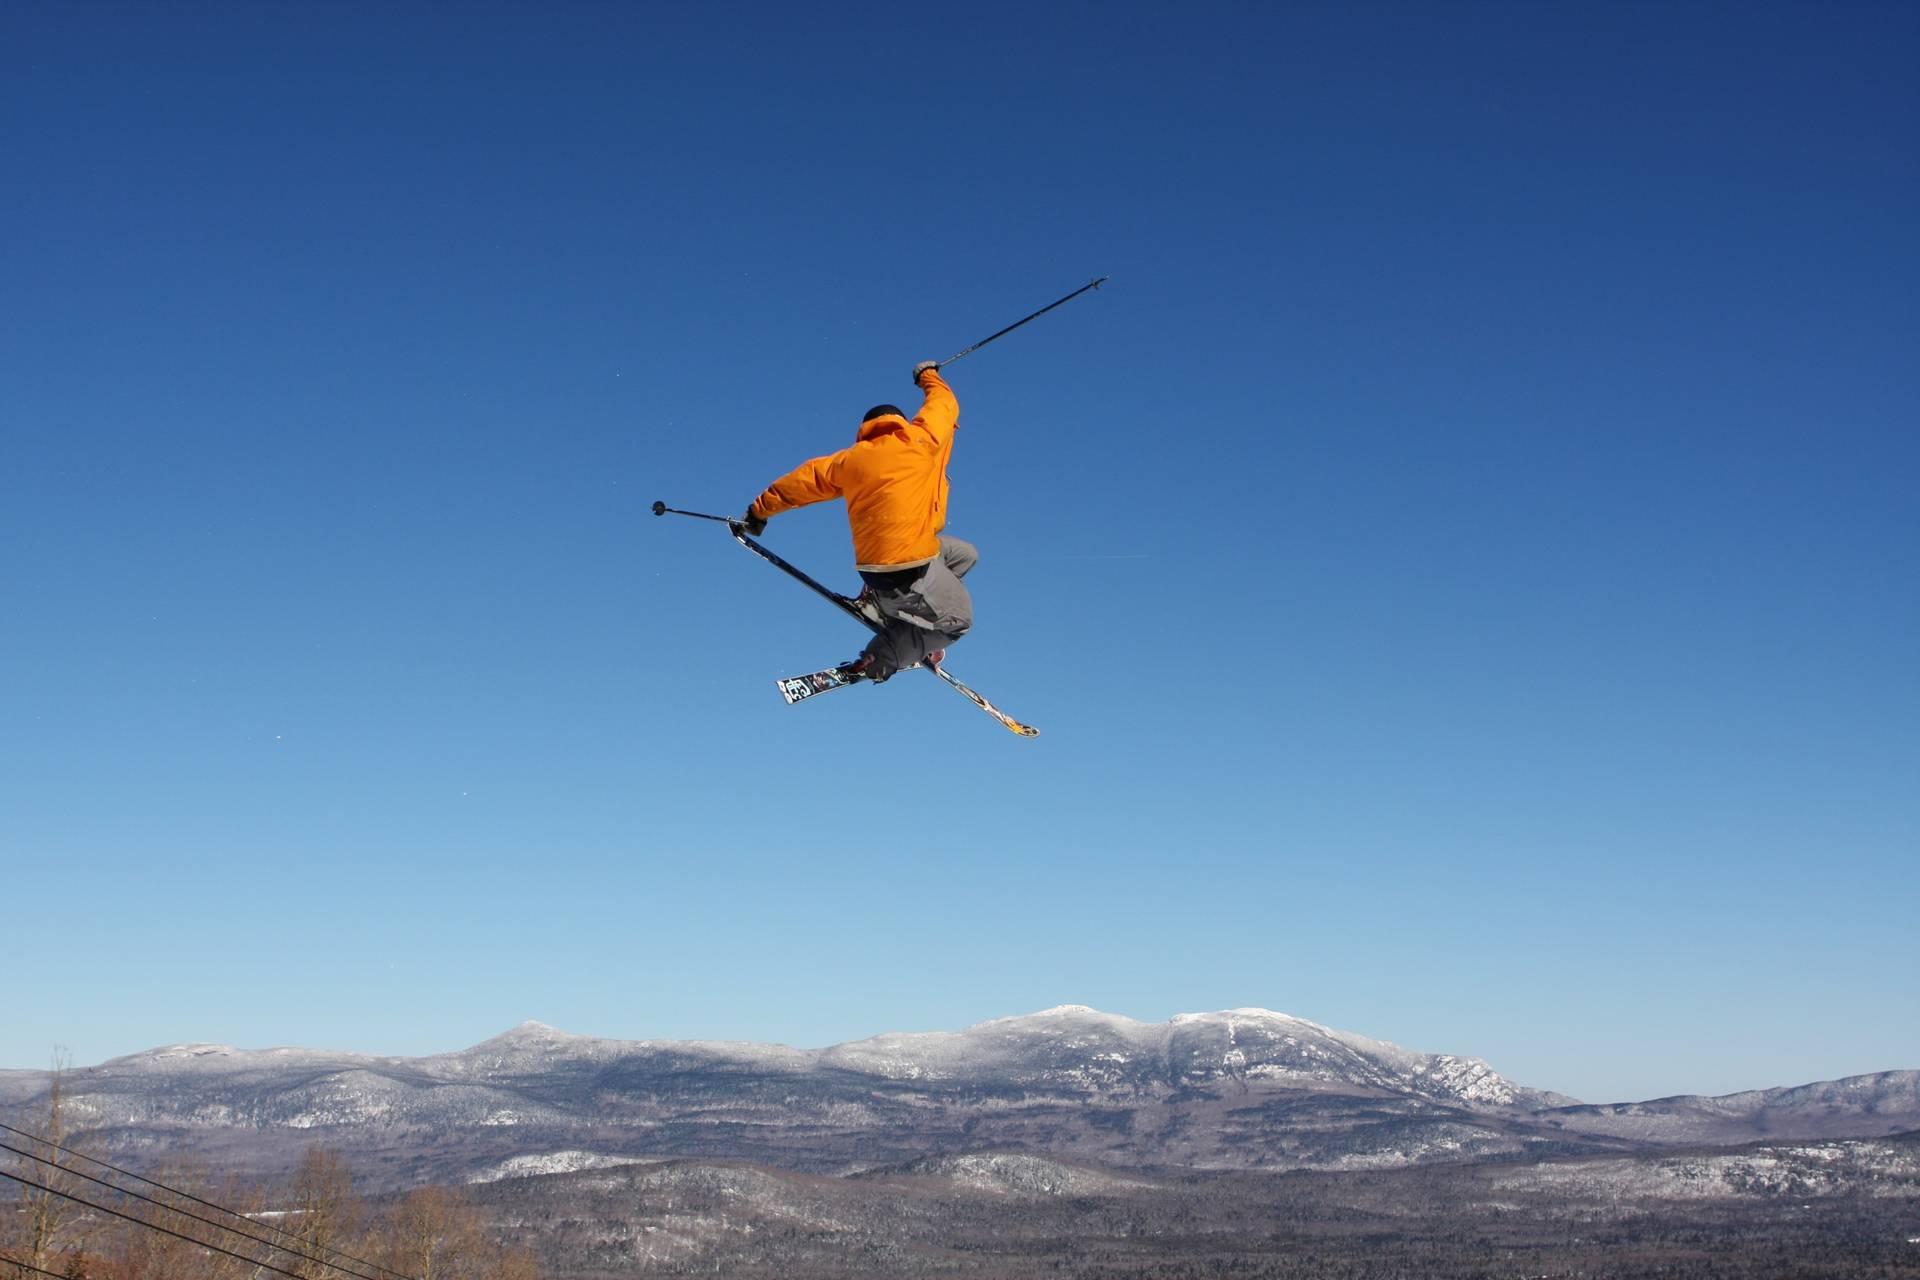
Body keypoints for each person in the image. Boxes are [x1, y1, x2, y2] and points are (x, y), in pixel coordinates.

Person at [742, 361, 976, 682]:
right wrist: (927, 375)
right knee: (959, 621)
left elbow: (801, 481)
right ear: (901, 423)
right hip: (906, 570)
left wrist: (759, 511)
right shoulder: (920, 439)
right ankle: (883, 656)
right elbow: (944, 403)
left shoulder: (849, 460)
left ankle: (888, 610)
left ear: (866, 429)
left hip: (884, 564)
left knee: (964, 555)